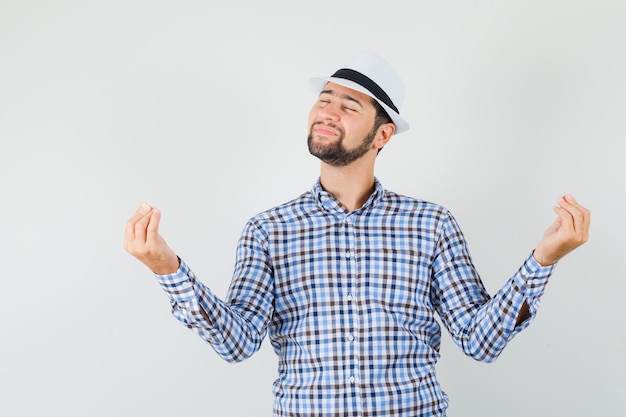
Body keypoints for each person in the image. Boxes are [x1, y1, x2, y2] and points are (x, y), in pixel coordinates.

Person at [124, 50, 590, 416]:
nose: (328, 111)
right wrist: (167, 269)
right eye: (324, 99)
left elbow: (479, 341)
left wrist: (544, 260)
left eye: (349, 106)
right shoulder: (268, 230)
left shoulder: (431, 225)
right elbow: (238, 342)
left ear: (382, 136)